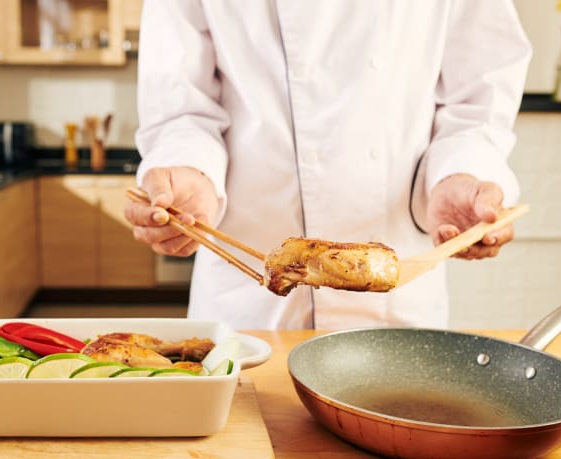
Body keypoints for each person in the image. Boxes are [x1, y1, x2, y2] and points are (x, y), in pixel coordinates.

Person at [124, 1, 532, 331]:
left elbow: (478, 103)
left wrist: (460, 171)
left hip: (395, 303)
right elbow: (182, 109)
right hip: (250, 301)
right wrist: (191, 171)